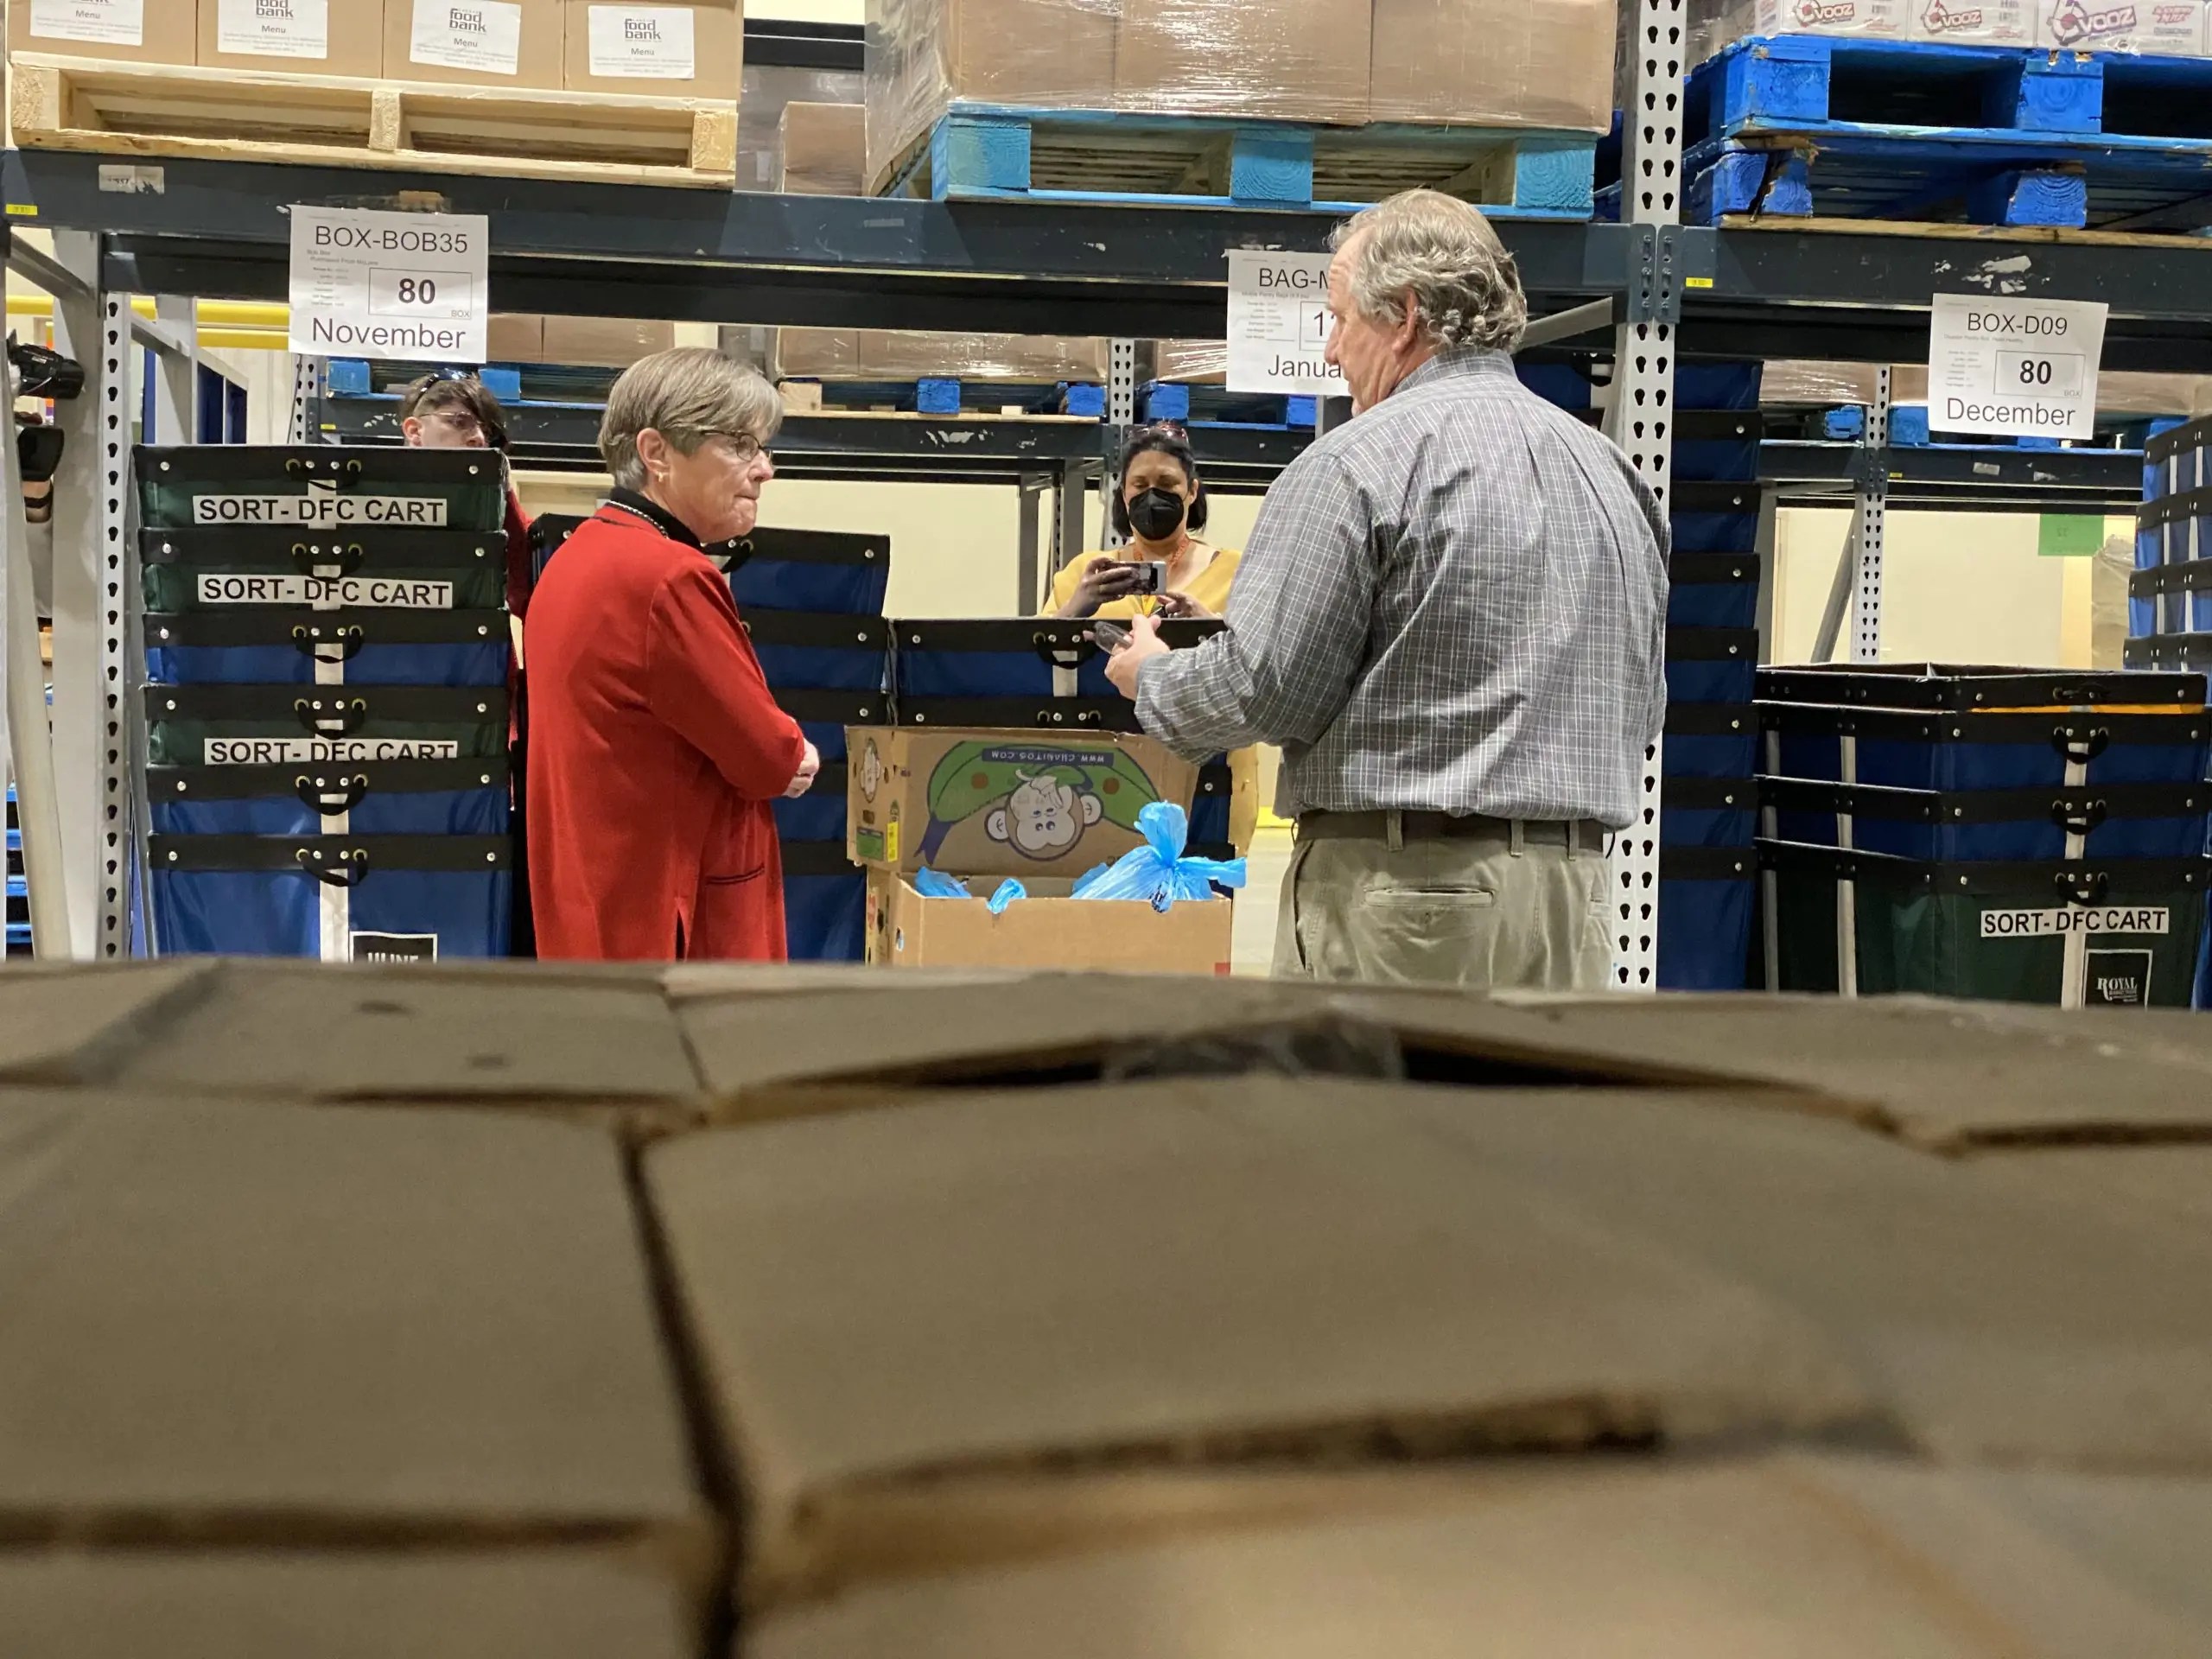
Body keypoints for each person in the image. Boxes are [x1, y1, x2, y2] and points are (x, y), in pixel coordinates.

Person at [1105, 188, 1669, 992]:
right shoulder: (1611, 473)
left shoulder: (1355, 464)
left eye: (1338, 318)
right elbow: (1642, 703)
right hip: (1572, 906)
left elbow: (1265, 690)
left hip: (1407, 906)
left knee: (1374, 1120)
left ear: (1403, 316)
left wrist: (1151, 676)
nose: (1331, 350)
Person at [523, 348, 818, 961]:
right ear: (656, 453)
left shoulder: (576, 559)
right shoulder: (668, 577)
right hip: (676, 932)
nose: (765, 470)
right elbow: (769, 758)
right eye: (740, 444)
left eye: (763, 447)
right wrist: (798, 750)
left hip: (596, 914)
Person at [1049, 423, 1239, 620]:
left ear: (1191, 491)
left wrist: (1210, 627)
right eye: (1140, 485)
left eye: (1166, 483)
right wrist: (1073, 610)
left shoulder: (1236, 572)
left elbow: (1260, 647)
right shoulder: (1085, 573)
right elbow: (1038, 644)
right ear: (1124, 494)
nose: (1152, 495)